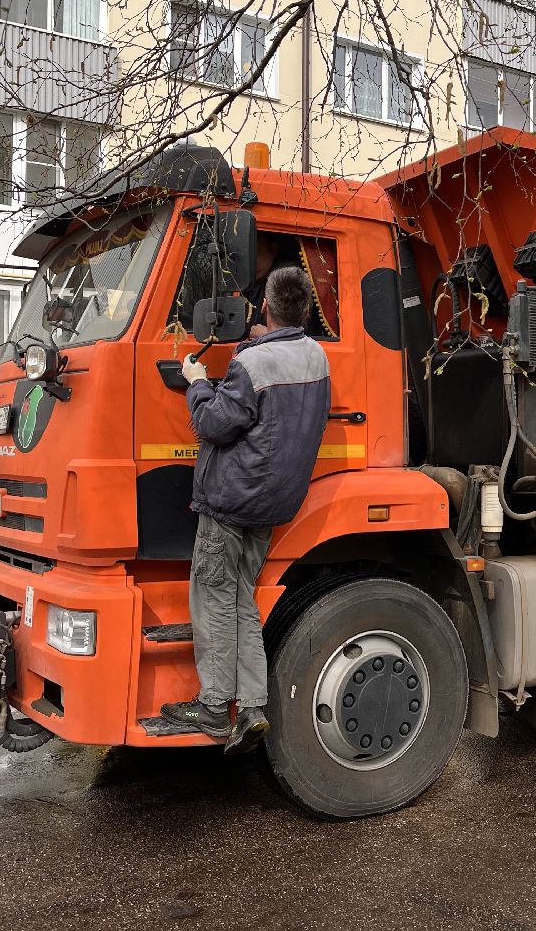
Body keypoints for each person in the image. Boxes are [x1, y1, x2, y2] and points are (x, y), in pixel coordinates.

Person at [160, 265, 331, 753]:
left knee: (214, 596)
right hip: (274, 503)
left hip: (231, 500)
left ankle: (215, 707)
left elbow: (215, 423)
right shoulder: (316, 356)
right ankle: (253, 706)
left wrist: (196, 379)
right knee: (240, 602)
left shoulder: (252, 364)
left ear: (266, 309)